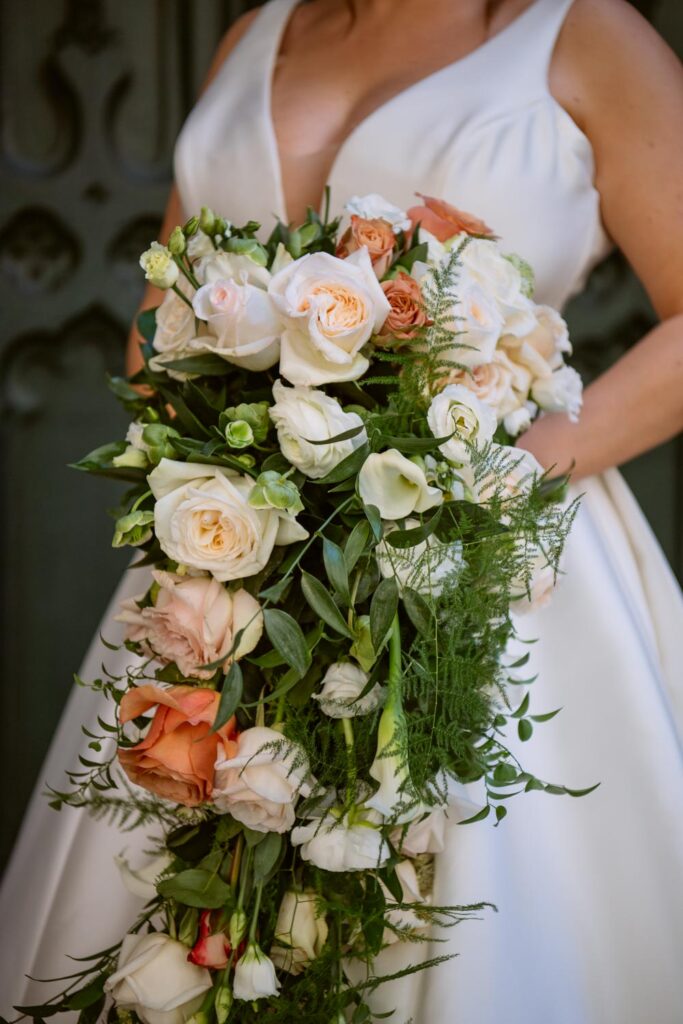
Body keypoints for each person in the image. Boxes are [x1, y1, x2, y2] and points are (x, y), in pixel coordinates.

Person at [2, 1, 683, 1020]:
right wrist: (206, 463)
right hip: (232, 548)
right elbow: (166, 312)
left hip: (481, 549)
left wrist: (497, 472)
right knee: (191, 909)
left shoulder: (581, 33)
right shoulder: (255, 34)